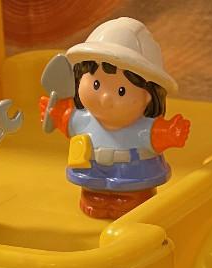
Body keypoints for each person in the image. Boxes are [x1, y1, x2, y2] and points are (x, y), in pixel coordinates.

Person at [40, 17, 190, 219]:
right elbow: (67, 121)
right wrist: (57, 115)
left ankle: (131, 200)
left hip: (131, 172)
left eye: (121, 91)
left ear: (148, 96)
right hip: (93, 169)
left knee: (131, 197)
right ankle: (94, 198)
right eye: (96, 85)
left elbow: (156, 135)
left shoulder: (142, 127)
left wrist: (171, 133)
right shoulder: (84, 119)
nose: (104, 98)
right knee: (94, 193)